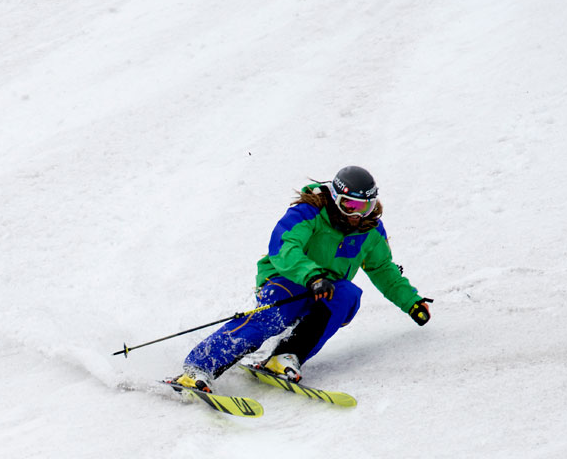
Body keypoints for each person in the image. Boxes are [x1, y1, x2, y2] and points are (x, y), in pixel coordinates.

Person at [169, 165, 432, 391]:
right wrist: (312, 275)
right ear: (335, 198)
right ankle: (198, 369)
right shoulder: (309, 212)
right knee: (271, 318)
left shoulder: (370, 230)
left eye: (366, 206)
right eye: (350, 205)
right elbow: (285, 246)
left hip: (326, 288)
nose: (357, 215)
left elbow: (382, 269)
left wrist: (411, 302)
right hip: (287, 277)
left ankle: (285, 356)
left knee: (349, 295)